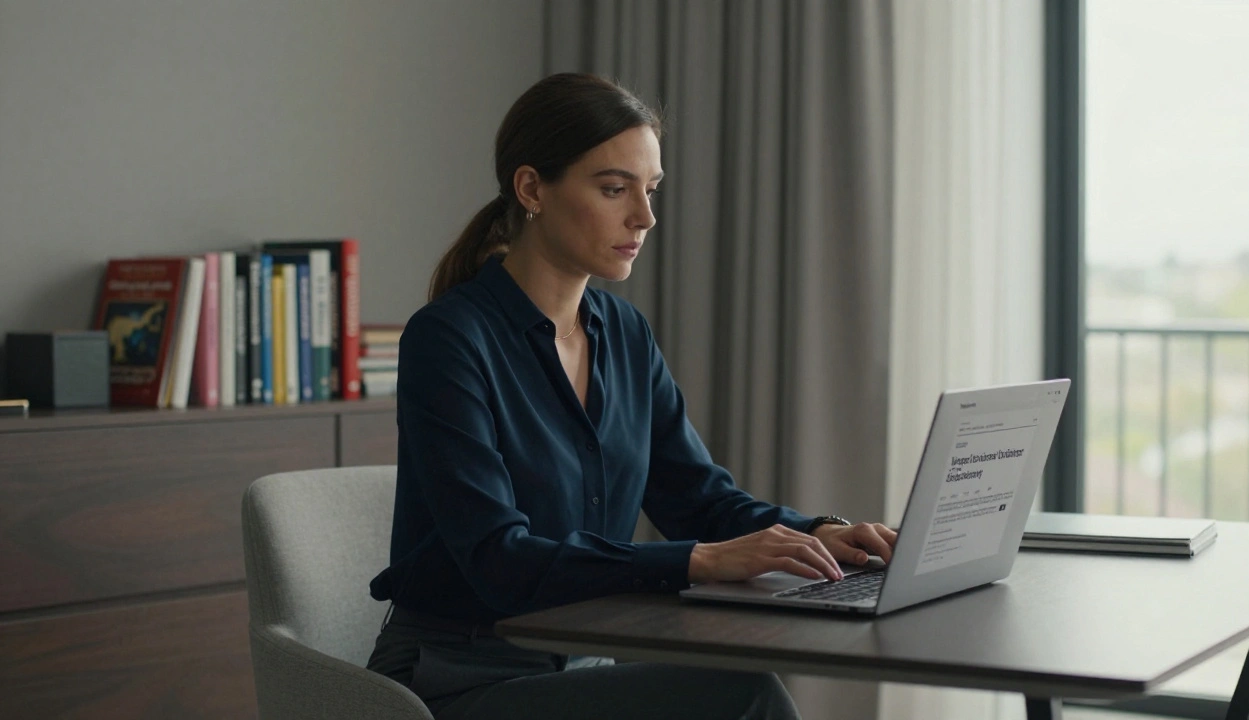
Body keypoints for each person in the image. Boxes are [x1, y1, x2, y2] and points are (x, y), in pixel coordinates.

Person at [366, 72, 898, 720]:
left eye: (650, 190)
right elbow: (496, 559)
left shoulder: (624, 334)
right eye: (615, 189)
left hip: (582, 665)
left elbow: (698, 500)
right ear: (532, 188)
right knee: (743, 697)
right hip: (458, 679)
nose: (644, 217)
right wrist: (701, 562)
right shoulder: (448, 340)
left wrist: (820, 532)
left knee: (739, 688)